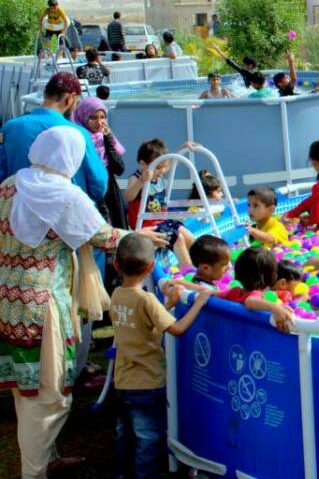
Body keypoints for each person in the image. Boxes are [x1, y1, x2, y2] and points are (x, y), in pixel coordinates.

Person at [0, 126, 166, 479]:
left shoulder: (11, 184)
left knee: (25, 390)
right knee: (49, 396)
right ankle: (34, 473)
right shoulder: (62, 194)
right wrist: (140, 235)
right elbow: (104, 236)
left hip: (8, 300)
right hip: (42, 305)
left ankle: (46, 457)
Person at [110, 235, 210, 479]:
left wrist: (169, 304)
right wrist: (200, 302)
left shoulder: (117, 295)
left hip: (122, 381)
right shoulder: (146, 299)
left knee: (124, 434)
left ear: (116, 265)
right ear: (151, 267)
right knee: (148, 438)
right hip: (147, 382)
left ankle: (122, 473)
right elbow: (176, 329)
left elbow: (141, 324)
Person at [0, 72, 107, 200]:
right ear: (70, 98)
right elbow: (99, 186)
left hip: (19, 212)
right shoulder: (78, 134)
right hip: (65, 213)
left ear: (45, 94)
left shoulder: (11, 128)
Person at [124, 138, 197, 267]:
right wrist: (141, 181)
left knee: (190, 237)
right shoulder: (136, 178)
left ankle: (200, 267)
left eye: (164, 167)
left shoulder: (159, 174)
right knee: (178, 239)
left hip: (163, 221)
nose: (161, 171)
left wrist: (182, 149)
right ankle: (189, 272)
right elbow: (129, 196)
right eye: (158, 167)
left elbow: (173, 162)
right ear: (143, 164)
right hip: (148, 226)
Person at [72, 96, 128, 230]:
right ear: (83, 117)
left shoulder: (105, 137)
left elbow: (119, 169)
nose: (99, 122)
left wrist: (108, 139)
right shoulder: (78, 138)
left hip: (110, 192)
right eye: (93, 118)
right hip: (88, 191)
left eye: (102, 117)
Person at [215, 246, 294, 331]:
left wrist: (200, 288)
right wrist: (275, 307)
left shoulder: (234, 291)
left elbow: (214, 293)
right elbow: (250, 301)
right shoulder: (255, 295)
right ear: (270, 276)